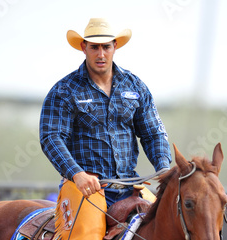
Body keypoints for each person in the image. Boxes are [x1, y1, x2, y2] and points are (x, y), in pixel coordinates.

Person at [39, 17, 172, 207]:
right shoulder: (64, 90)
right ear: (84, 48)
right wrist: (77, 174)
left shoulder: (136, 86)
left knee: (161, 229)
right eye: (94, 47)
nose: (101, 54)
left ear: (115, 47)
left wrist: (163, 168)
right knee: (85, 238)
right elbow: (51, 137)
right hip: (83, 189)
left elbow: (153, 134)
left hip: (130, 187)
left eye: (106, 47)